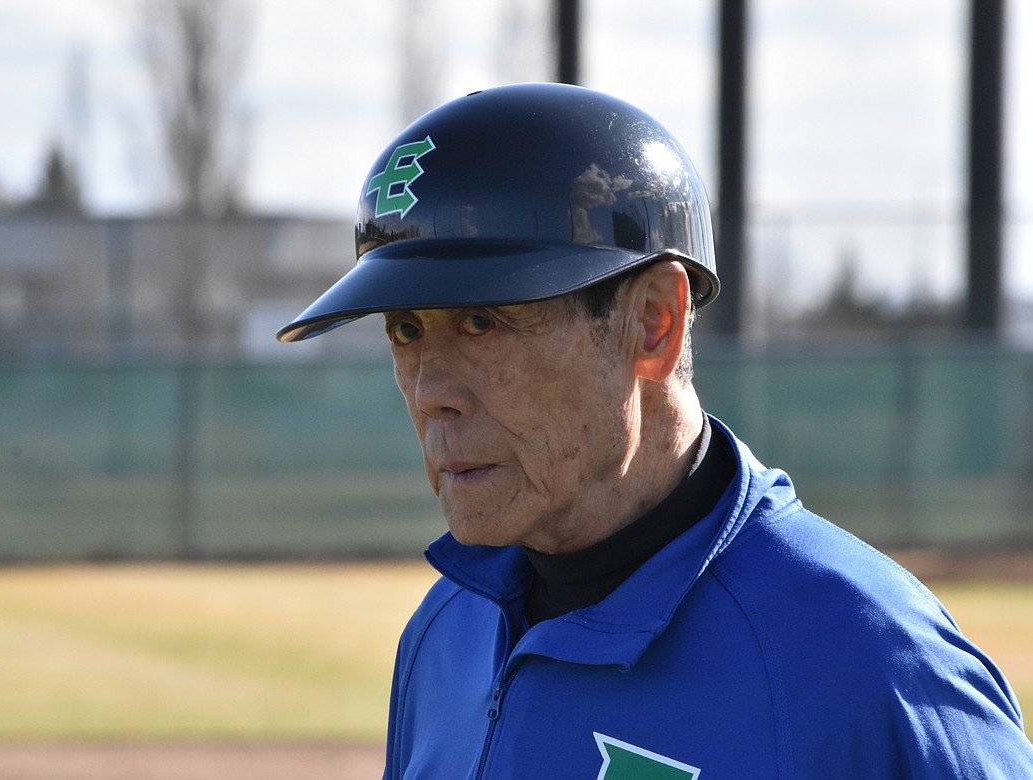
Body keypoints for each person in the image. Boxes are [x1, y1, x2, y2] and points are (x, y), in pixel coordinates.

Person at [277, 83, 1033, 778]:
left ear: (654, 322)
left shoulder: (864, 662)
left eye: (483, 321)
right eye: (406, 330)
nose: (431, 391)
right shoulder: (445, 631)